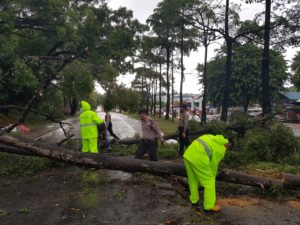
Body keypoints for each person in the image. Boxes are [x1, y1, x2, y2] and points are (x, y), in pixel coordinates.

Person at [183, 134, 234, 212]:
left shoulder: (212, 137)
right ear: (229, 146)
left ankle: (194, 201)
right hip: (199, 158)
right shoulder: (221, 149)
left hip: (188, 155)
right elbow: (213, 165)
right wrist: (212, 177)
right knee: (209, 182)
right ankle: (209, 206)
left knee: (193, 180)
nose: (226, 150)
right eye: (228, 149)